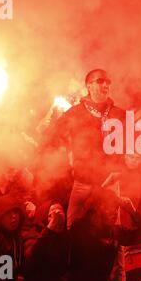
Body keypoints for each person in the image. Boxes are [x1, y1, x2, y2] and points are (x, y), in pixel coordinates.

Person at [45, 69, 126, 229]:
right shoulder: (75, 113)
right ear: (89, 85)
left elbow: (130, 145)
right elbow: (53, 137)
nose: (105, 84)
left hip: (110, 181)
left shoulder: (119, 114)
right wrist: (68, 159)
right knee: (73, 227)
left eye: (108, 82)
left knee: (112, 229)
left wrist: (120, 167)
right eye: (100, 81)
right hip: (83, 182)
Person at [66, 191, 141, 281]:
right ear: (98, 208)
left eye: (117, 208)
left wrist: (131, 210)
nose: (115, 212)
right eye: (110, 207)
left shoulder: (115, 232)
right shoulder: (80, 227)